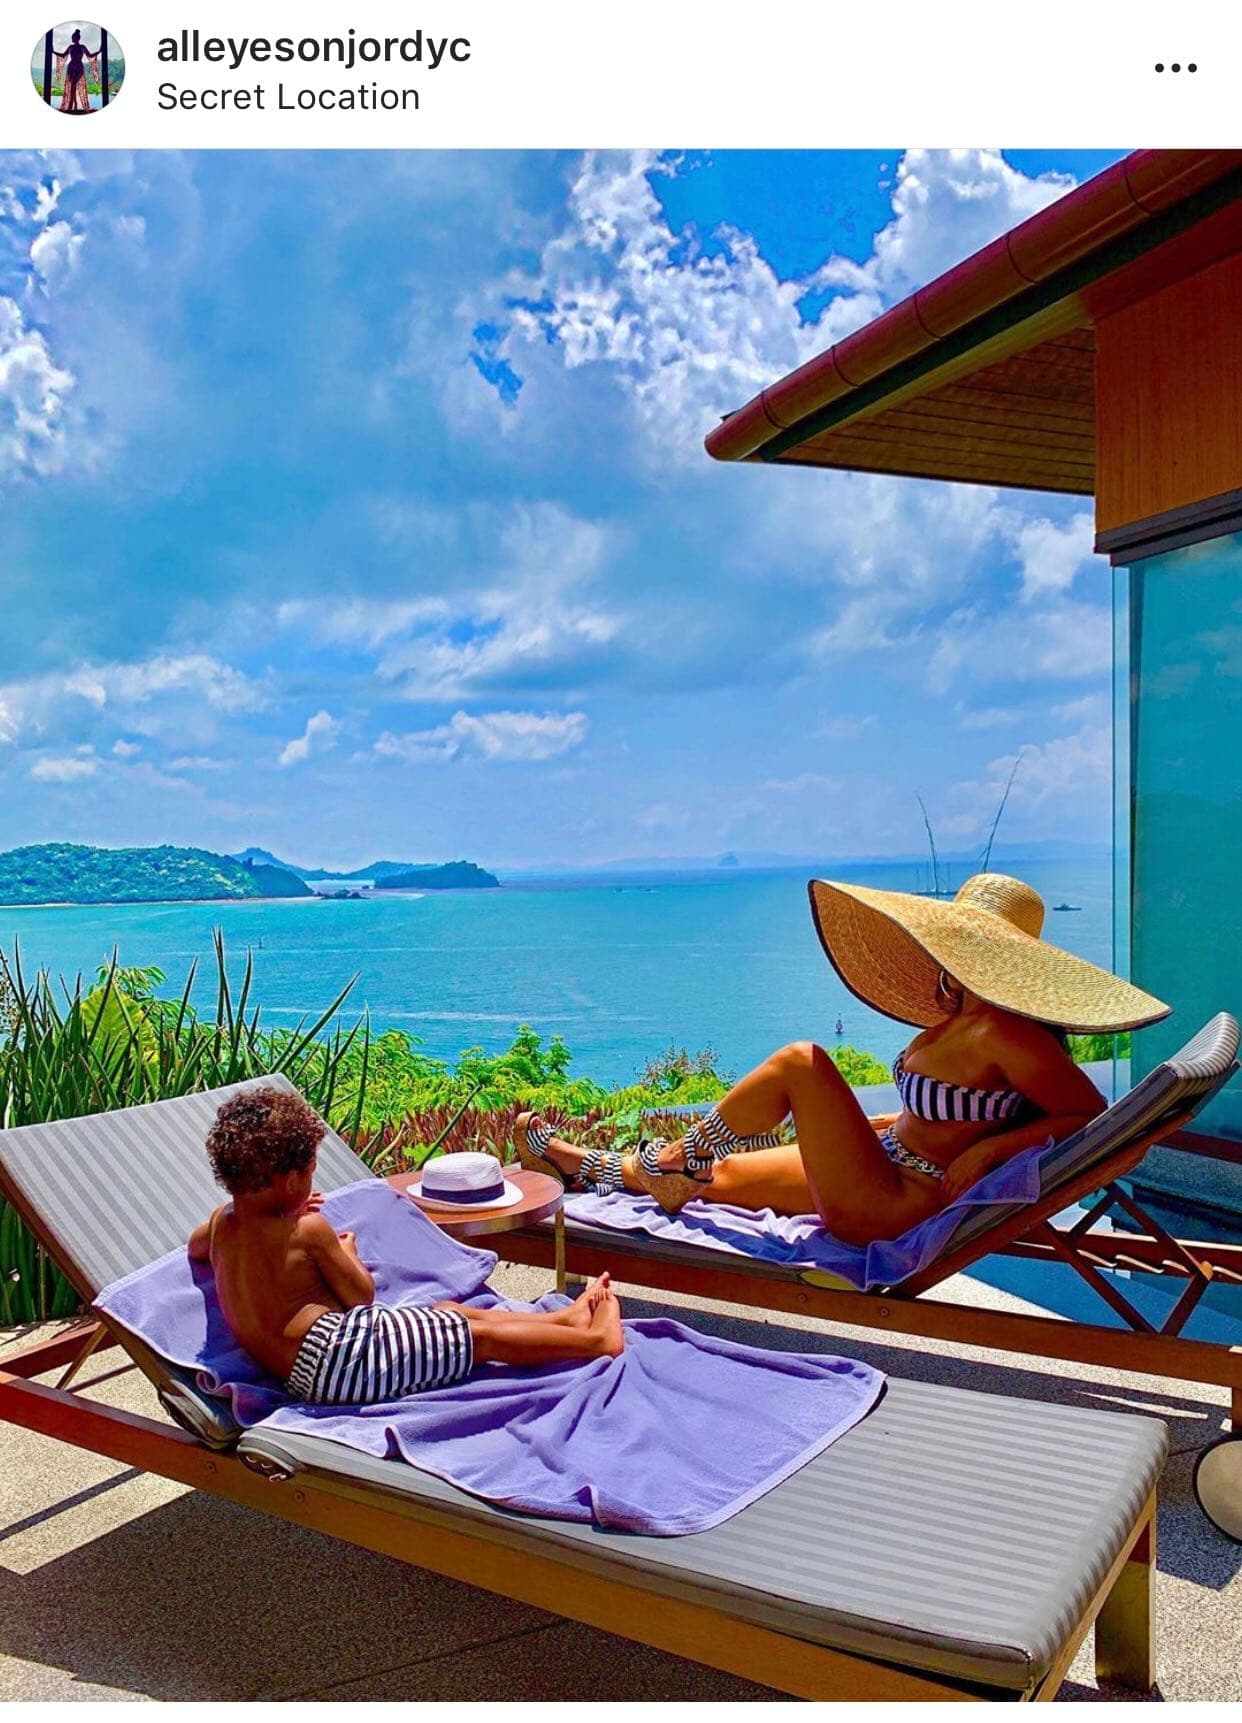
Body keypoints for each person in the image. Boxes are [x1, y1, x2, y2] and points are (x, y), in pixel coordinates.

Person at [517, 873, 1169, 1246]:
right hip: (883, 1164)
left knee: (802, 1061)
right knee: (724, 1174)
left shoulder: (1010, 1035)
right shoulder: (958, 1017)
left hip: (897, 1201)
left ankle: (678, 1156)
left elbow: (1089, 1113)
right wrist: (887, 1127)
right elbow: (948, 1111)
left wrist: (994, 1152)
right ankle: (581, 1166)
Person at [189, 1086, 623, 1406]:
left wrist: (283, 1213)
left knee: (446, 1316)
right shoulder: (309, 1231)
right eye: (308, 1175)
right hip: (343, 1359)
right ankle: (594, 1343)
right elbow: (361, 1296)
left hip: (307, 1372)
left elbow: (197, 1249)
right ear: (290, 1181)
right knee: (479, 1336)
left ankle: (566, 1319)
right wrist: (348, 1249)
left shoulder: (221, 1226)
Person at [54, 29, 101, 114]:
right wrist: (53, 52)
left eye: (73, 37)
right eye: (72, 37)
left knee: (73, 85)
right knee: (73, 86)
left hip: (78, 68)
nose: (72, 39)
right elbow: (63, 55)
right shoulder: (71, 47)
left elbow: (90, 55)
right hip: (72, 67)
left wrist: (99, 51)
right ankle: (73, 105)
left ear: (77, 38)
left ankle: (71, 105)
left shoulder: (82, 47)